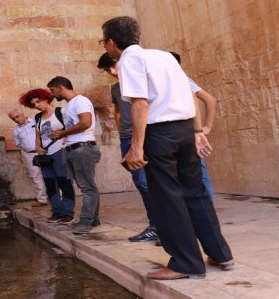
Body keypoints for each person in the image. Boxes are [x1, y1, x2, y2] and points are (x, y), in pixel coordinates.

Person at [101, 16, 234, 280]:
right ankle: (220, 253)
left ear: (111, 43)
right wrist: (196, 131)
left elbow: (139, 104)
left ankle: (185, 263)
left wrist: (136, 147)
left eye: (104, 42)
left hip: (159, 134)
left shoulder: (129, 60)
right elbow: (189, 95)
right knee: (195, 193)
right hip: (184, 129)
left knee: (168, 198)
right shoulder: (164, 56)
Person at [96, 53, 158, 242]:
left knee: (153, 182)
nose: (112, 72)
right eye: (107, 70)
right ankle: (155, 225)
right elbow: (117, 111)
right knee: (141, 182)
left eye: (113, 66)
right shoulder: (116, 89)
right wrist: (122, 129)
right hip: (126, 138)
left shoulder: (143, 79)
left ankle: (163, 226)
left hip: (146, 135)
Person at [46, 76, 102, 235]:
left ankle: (86, 222)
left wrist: (63, 132)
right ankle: (93, 219)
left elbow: (85, 123)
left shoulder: (80, 101)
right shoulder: (70, 105)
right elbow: (75, 125)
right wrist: (61, 135)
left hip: (83, 148)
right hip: (73, 148)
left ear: (60, 87)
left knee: (87, 187)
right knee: (87, 186)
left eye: (52, 90)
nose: (52, 94)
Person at [19, 88, 75, 223]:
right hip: (45, 155)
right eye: (33, 104)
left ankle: (68, 213)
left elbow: (71, 128)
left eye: (38, 101)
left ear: (46, 98)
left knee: (64, 182)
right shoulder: (37, 118)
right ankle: (56, 212)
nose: (37, 105)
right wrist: (37, 147)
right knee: (50, 184)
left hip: (60, 151)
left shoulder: (60, 112)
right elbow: (38, 135)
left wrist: (63, 138)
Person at [170, 51, 218, 201]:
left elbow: (209, 100)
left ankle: (208, 209)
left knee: (199, 173)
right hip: (185, 132)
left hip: (188, 132)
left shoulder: (180, 79)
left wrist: (206, 127)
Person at [9, 109, 49, 207]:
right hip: (29, 155)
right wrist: (28, 148)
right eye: (13, 119)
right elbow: (18, 144)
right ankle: (42, 199)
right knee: (36, 176)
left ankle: (59, 197)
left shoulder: (36, 121)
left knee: (51, 174)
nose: (16, 119)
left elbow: (45, 134)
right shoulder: (16, 130)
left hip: (44, 152)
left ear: (22, 114)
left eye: (17, 116)